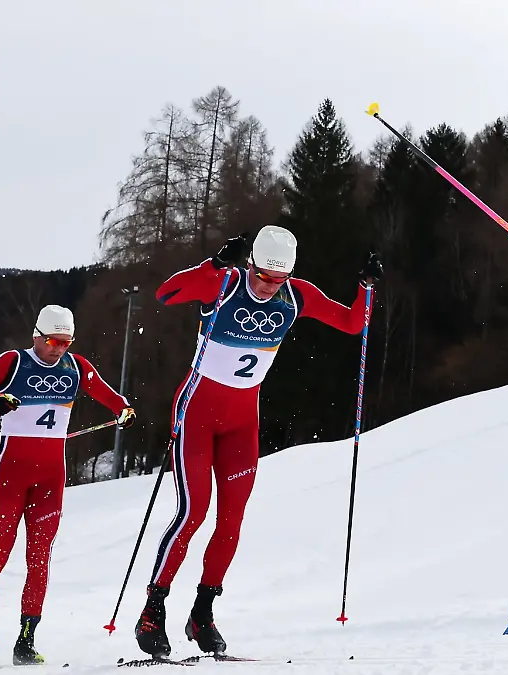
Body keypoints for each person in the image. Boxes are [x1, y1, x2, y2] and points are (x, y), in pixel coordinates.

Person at [134, 225, 381, 659]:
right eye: (263, 276)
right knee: (193, 513)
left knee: (231, 523)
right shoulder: (225, 283)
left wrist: (365, 288)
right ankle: (153, 608)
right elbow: (166, 295)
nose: (269, 287)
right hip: (196, 413)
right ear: (250, 265)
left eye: (278, 278)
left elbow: (352, 322)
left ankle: (202, 612)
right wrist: (212, 264)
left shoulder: (296, 295)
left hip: (242, 422)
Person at [0, 304, 136, 668]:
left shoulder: (77, 366)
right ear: (36, 336)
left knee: (39, 561)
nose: (58, 348)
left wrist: (124, 409)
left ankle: (26, 641)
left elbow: (109, 396)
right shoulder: (13, 362)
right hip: (11, 474)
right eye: (52, 340)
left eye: (65, 342)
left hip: (51, 478)